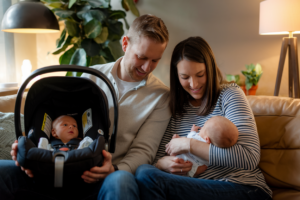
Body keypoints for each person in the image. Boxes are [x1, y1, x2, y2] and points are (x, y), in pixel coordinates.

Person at [0, 14, 171, 200]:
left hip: (107, 176)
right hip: (61, 165)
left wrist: (113, 169)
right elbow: (59, 123)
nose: (147, 67)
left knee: (121, 180)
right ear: (125, 44)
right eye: (142, 57)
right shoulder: (90, 77)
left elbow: (144, 150)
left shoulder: (161, 96)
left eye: (155, 60)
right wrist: (29, 156)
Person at [135, 36, 272, 200]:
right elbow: (160, 155)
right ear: (176, 76)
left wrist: (189, 144)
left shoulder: (229, 95)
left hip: (242, 188)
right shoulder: (176, 108)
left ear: (211, 69)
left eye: (200, 74)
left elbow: (249, 158)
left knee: (147, 177)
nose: (194, 84)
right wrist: (161, 164)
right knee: (145, 172)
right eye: (185, 77)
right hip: (195, 189)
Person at [174, 116, 239, 177]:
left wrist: (193, 131)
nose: (201, 128)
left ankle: (173, 154)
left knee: (176, 151)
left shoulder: (196, 137)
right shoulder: (213, 151)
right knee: (192, 169)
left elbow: (189, 137)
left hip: (182, 155)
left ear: (207, 139)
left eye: (204, 127)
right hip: (193, 164)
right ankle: (196, 171)